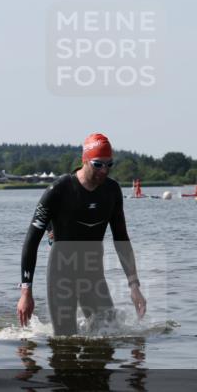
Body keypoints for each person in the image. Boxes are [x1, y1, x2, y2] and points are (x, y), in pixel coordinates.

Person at [17, 133, 146, 334]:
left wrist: (134, 286)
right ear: (84, 160)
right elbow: (31, 240)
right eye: (97, 164)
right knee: (64, 342)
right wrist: (26, 291)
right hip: (62, 274)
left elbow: (121, 239)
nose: (104, 170)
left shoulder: (112, 191)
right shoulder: (59, 189)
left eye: (109, 164)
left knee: (108, 334)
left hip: (93, 273)